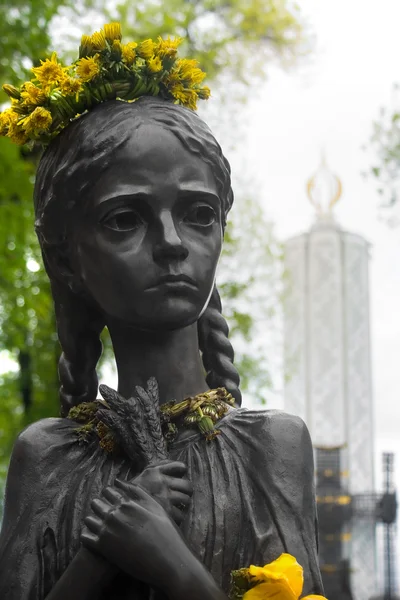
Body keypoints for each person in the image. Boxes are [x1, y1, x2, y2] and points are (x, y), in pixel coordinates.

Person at [0, 25, 324, 600]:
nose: (173, 242)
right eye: (125, 219)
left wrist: (174, 568)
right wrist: (98, 559)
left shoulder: (273, 447)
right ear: (68, 260)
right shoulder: (45, 459)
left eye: (198, 214)